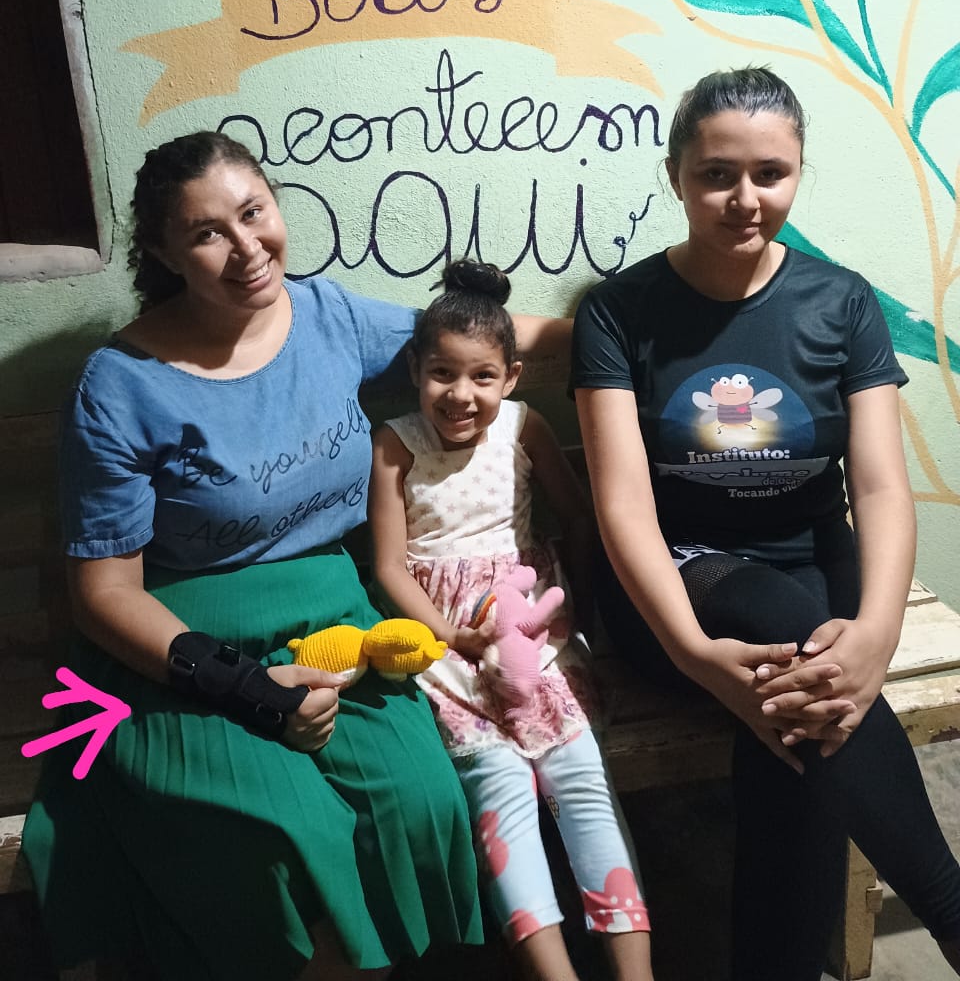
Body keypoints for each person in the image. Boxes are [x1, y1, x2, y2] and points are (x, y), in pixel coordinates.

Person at [22, 131, 565, 981]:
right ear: (163, 252)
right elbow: (103, 594)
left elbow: (478, 338)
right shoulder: (119, 386)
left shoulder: (327, 316)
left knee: (421, 800)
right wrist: (247, 689)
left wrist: (628, 329)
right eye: (207, 233)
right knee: (279, 840)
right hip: (186, 645)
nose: (246, 247)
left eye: (254, 213)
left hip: (338, 617)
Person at [571, 67, 960, 981]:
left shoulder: (842, 301)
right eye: (717, 174)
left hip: (813, 565)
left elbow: (880, 488)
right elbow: (623, 505)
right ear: (676, 175)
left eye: (770, 174)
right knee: (802, 655)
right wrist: (692, 654)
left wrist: (876, 631)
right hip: (674, 581)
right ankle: (947, 906)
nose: (745, 199)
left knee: (799, 699)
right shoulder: (619, 312)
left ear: (796, 173)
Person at [369, 259, 653, 981]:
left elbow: (578, 516)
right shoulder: (396, 443)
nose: (461, 395)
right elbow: (390, 567)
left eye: (483, 377)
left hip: (535, 636)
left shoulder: (525, 428)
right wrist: (447, 634)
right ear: (416, 369)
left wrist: (575, 611)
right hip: (446, 651)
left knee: (583, 781)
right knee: (499, 793)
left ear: (512, 377)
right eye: (442, 373)